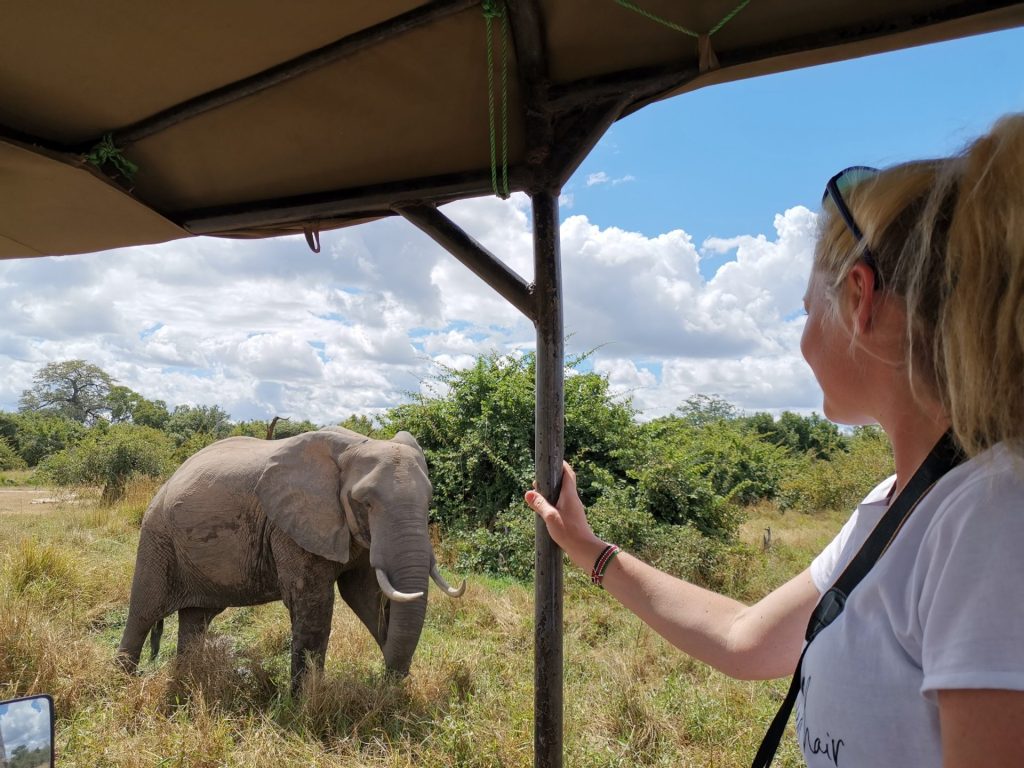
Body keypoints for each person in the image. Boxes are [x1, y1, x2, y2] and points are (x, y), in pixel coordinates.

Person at [525, 114, 1024, 766]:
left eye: (807, 306)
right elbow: (743, 640)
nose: (802, 331)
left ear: (860, 298)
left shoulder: (989, 515)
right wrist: (590, 550)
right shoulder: (899, 503)